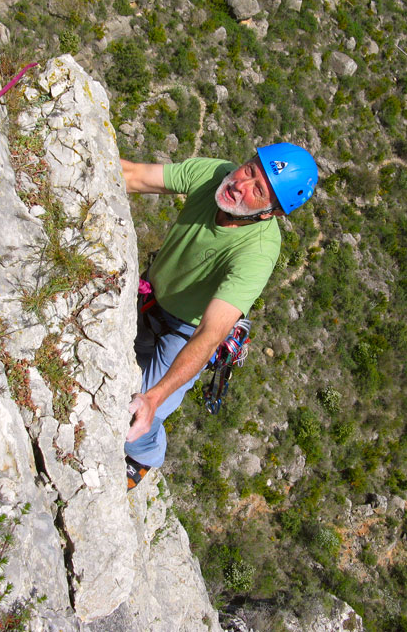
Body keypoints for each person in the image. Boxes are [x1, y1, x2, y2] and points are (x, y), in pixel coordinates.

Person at [121, 143, 318, 489]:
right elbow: (134, 176)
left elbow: (209, 335)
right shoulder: (215, 174)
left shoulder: (257, 253)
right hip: (152, 297)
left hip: (187, 331)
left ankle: (145, 455)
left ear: (272, 213)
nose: (240, 185)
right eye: (250, 170)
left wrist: (154, 398)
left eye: (258, 190)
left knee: (134, 420)